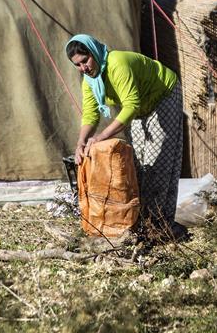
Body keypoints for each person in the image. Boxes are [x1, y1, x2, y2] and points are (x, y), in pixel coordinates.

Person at [65, 34, 186, 240]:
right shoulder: (90, 81)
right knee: (137, 164)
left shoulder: (117, 64)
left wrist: (101, 136)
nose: (84, 68)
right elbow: (90, 113)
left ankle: (160, 224)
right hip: (139, 108)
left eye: (85, 61)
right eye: (78, 65)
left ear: (94, 52)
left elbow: (131, 105)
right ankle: (140, 220)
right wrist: (81, 142)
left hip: (161, 96)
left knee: (160, 163)